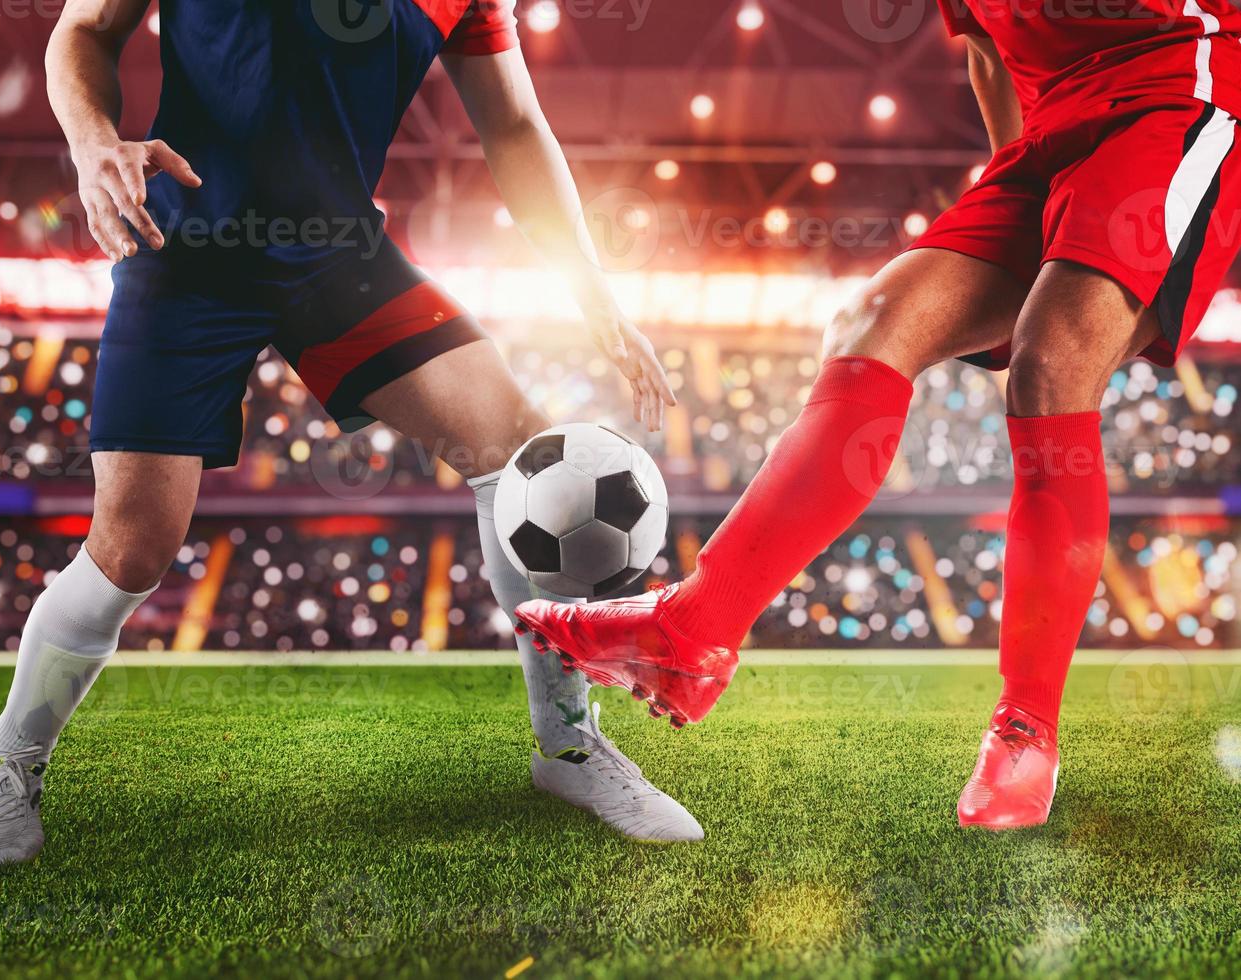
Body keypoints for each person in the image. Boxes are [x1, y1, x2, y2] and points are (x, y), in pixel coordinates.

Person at [0, 0, 697, 867]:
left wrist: (593, 293)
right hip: (186, 248)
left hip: (339, 260)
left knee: (521, 455)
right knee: (132, 549)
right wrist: (93, 144)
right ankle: (9, 766)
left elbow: (512, 123)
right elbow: (83, 31)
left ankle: (568, 748)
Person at [516, 0, 1241, 829]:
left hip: (1175, 96)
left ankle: (1026, 730)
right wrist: (1024, 198)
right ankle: (693, 630)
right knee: (869, 325)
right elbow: (988, 56)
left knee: (1048, 365)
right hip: (1046, 137)